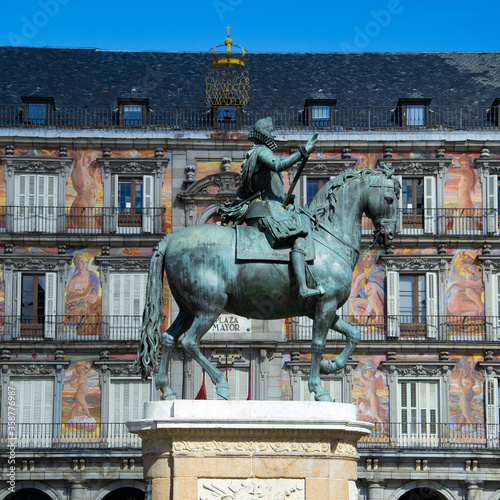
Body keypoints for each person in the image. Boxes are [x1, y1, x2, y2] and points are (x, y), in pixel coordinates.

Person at [236, 117, 322, 298]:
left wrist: (284, 198)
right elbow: (278, 165)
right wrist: (303, 151)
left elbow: (244, 191)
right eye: (271, 131)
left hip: (262, 207)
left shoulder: (253, 155)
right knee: (299, 236)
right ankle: (303, 288)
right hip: (267, 209)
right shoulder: (261, 152)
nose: (274, 134)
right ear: (263, 134)